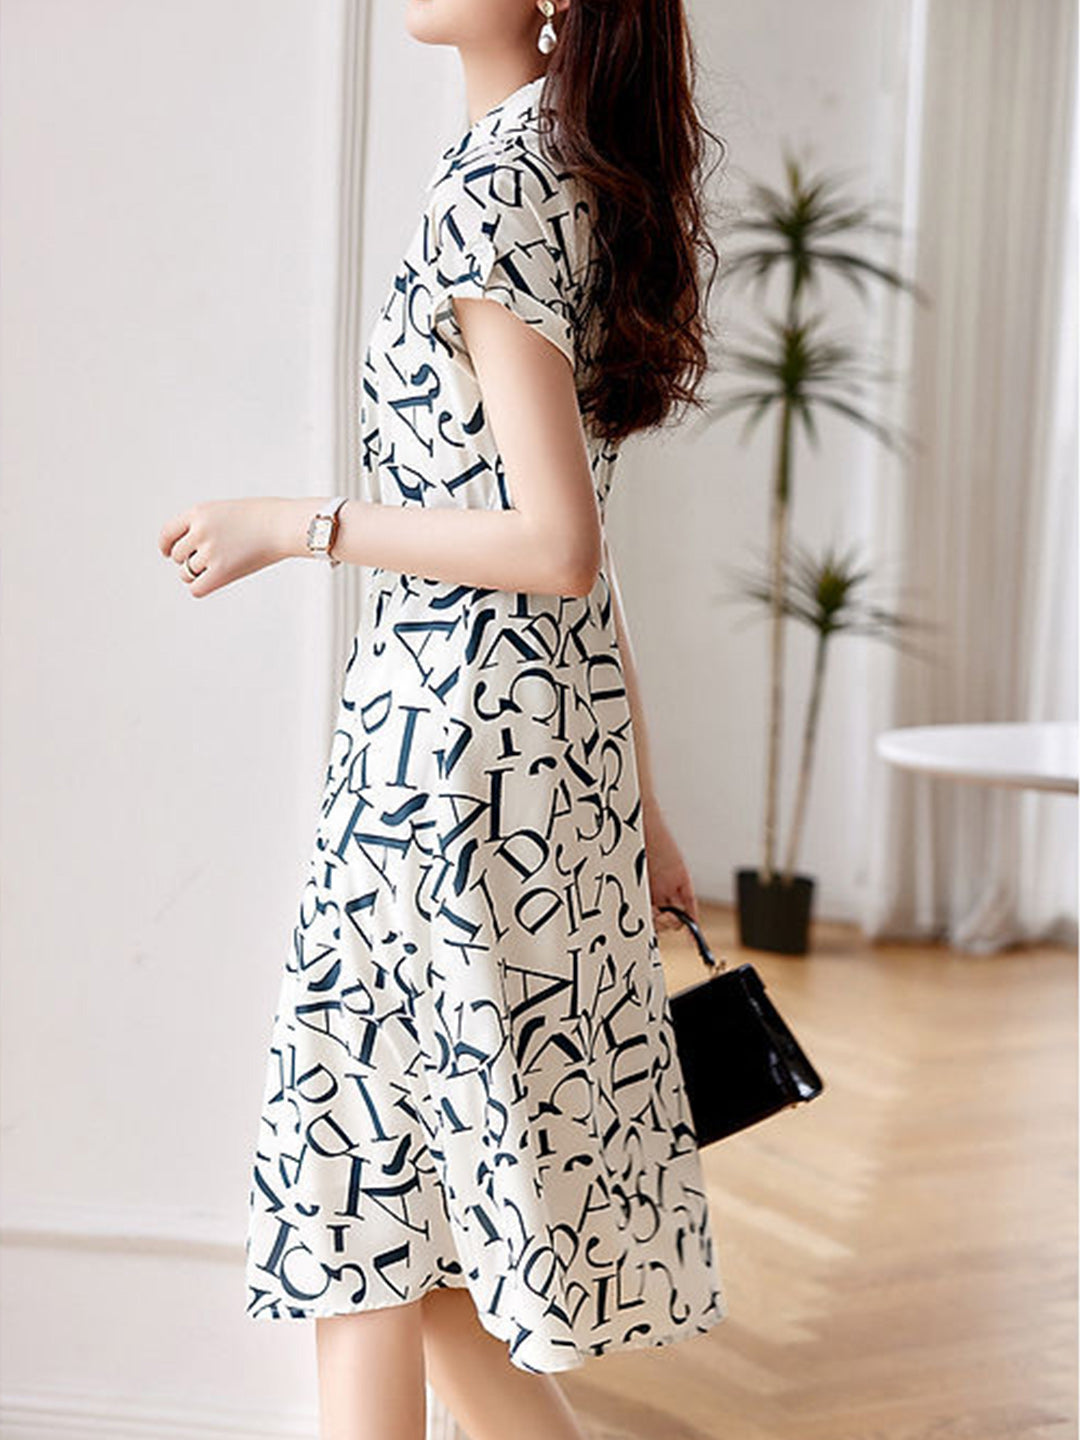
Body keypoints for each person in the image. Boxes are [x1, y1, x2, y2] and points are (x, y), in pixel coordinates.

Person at [158, 1, 727, 1436]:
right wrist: (642, 805)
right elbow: (585, 557)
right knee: (421, 1246)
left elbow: (555, 547)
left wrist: (295, 524)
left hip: (446, 762)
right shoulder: (567, 169)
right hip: (538, 755)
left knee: (356, 1225)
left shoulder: (497, 184)